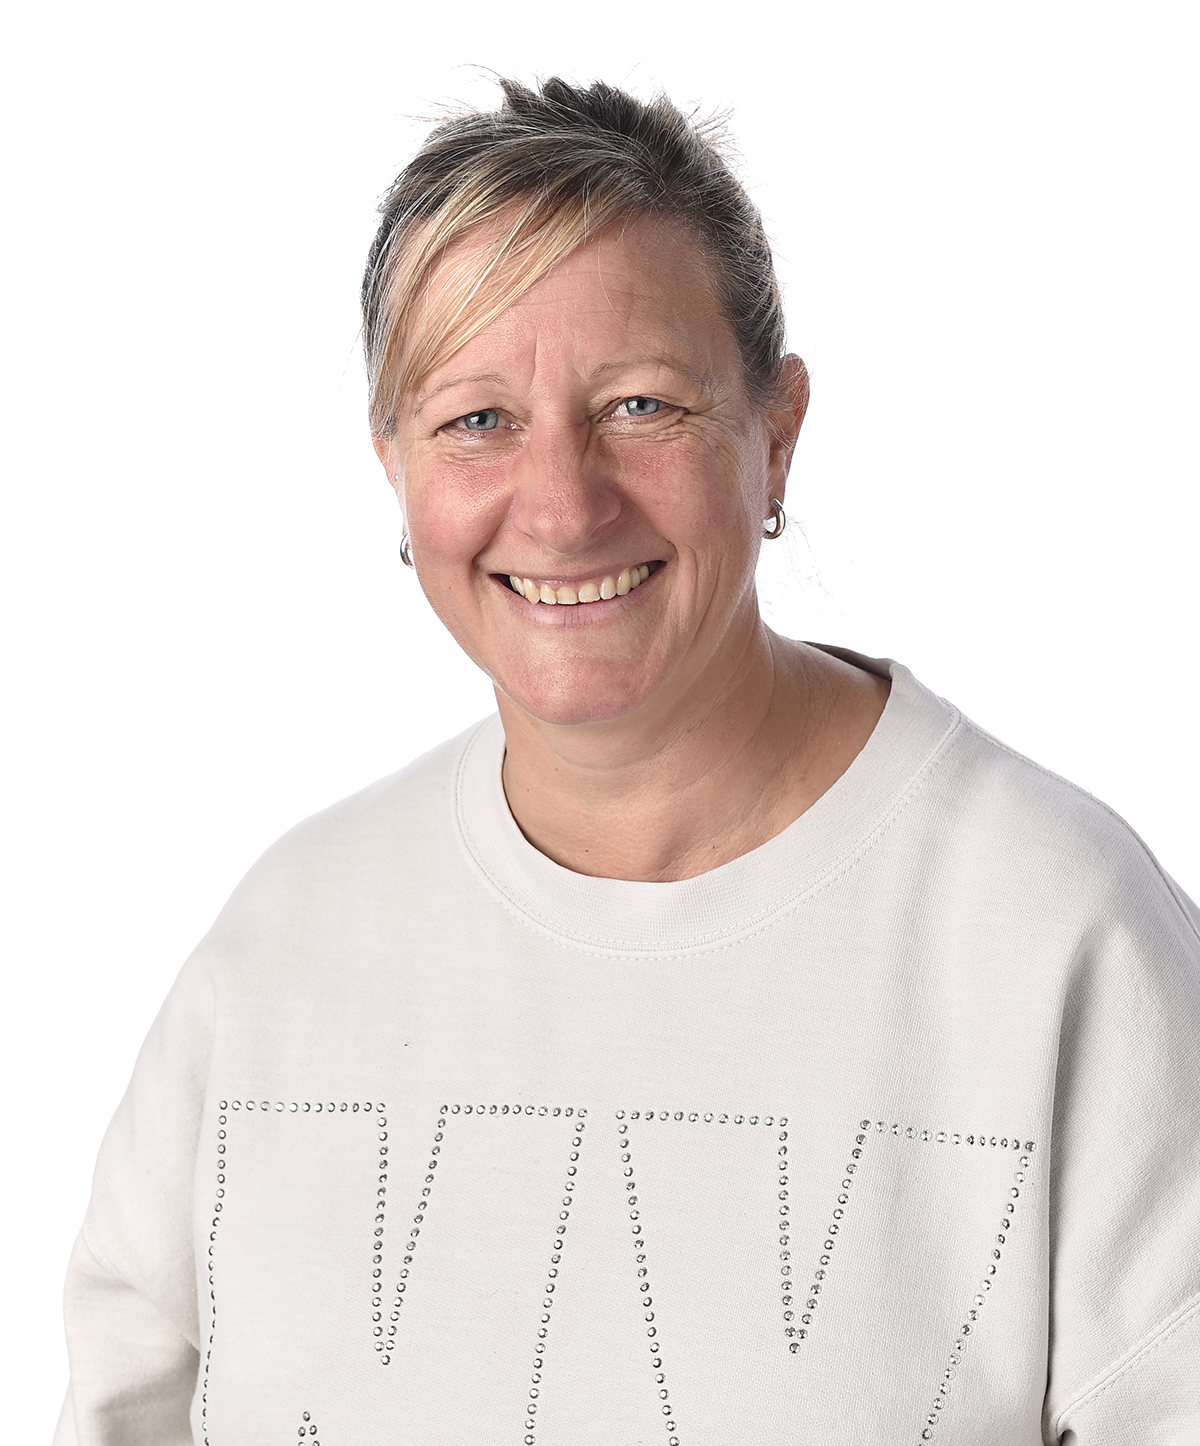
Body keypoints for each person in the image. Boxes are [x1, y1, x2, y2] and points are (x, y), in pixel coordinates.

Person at [55, 78, 1199, 1446]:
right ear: (393, 467)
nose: (562, 505)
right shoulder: (280, 951)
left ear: (777, 434)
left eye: (642, 404)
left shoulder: (1061, 937)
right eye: (476, 419)